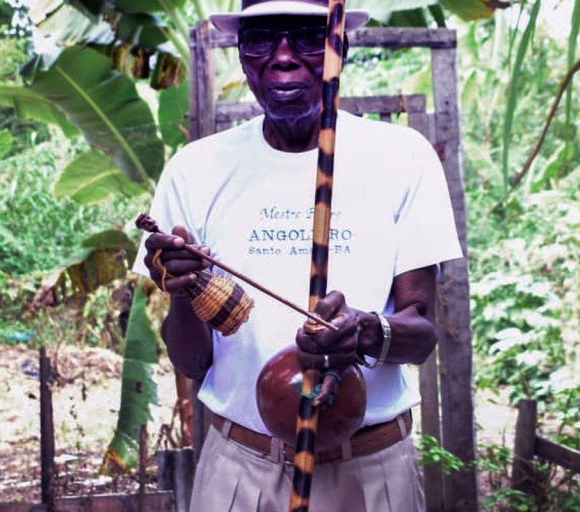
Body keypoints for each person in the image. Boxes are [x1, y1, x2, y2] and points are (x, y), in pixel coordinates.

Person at [132, 1, 462, 509]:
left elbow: (421, 338)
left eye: (308, 37)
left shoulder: (404, 158)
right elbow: (192, 361)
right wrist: (182, 294)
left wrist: (365, 332)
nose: (283, 57)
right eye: (262, 39)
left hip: (372, 471)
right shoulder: (194, 171)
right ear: (242, 57)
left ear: (340, 48)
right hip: (241, 469)